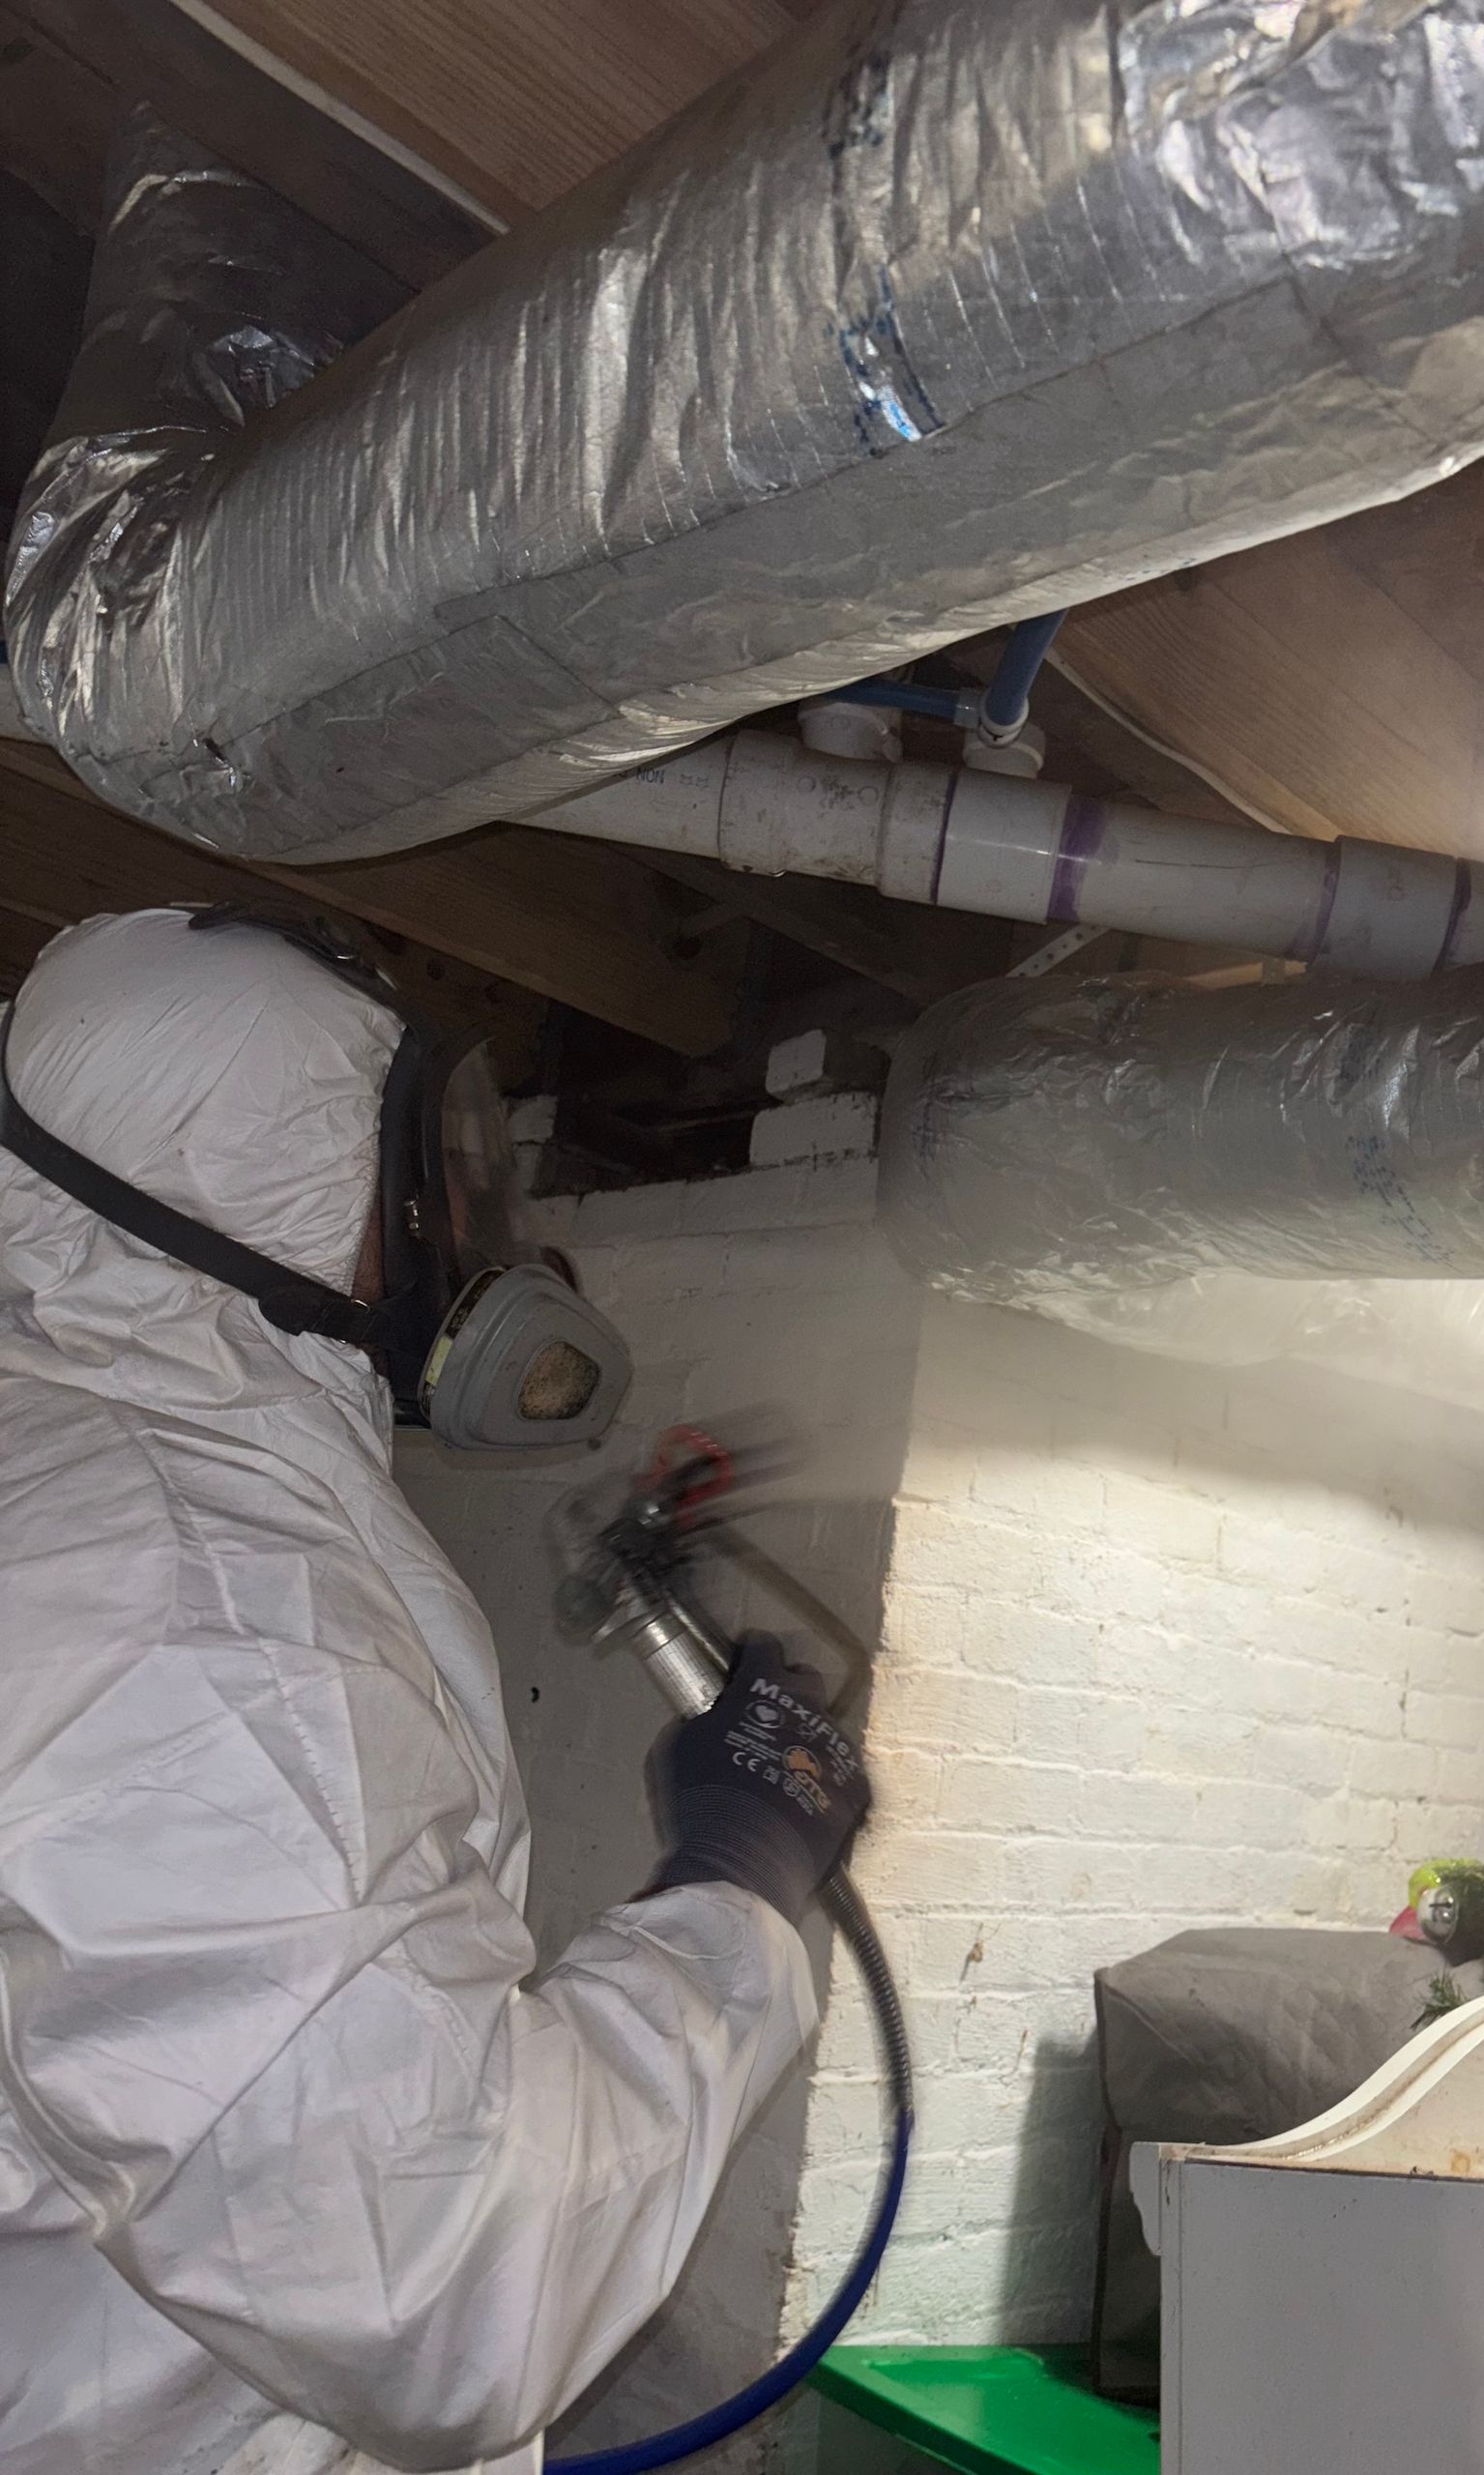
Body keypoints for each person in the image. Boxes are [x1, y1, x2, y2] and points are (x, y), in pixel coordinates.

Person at [0, 908, 868, 2475]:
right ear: (260, 1188)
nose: (465, 1236)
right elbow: (447, 2271)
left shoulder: (74, 1469)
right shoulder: (204, 1620)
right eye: (425, 1182)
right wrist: (738, 1891)